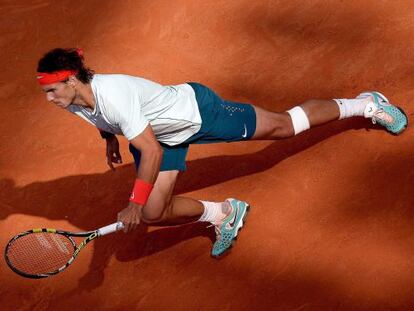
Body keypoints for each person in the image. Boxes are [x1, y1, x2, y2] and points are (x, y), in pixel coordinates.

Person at [36, 48, 408, 257]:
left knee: (283, 127)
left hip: (198, 114)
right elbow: (103, 120)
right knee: (154, 211)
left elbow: (148, 151)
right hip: (163, 135)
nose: (50, 100)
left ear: (71, 79)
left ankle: (363, 105)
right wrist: (110, 139)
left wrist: (132, 202)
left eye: (53, 91)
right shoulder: (74, 99)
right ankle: (225, 213)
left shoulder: (113, 95)